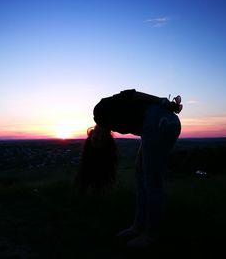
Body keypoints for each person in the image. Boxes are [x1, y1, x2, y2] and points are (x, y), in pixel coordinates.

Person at [76, 89, 182, 248]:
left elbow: (130, 95)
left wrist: (161, 101)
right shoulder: (114, 124)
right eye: (101, 142)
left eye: (95, 138)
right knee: (141, 176)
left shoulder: (99, 112)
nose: (99, 137)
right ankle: (138, 227)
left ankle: (151, 235)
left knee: (152, 181)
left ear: (90, 134)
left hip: (159, 121)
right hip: (159, 123)